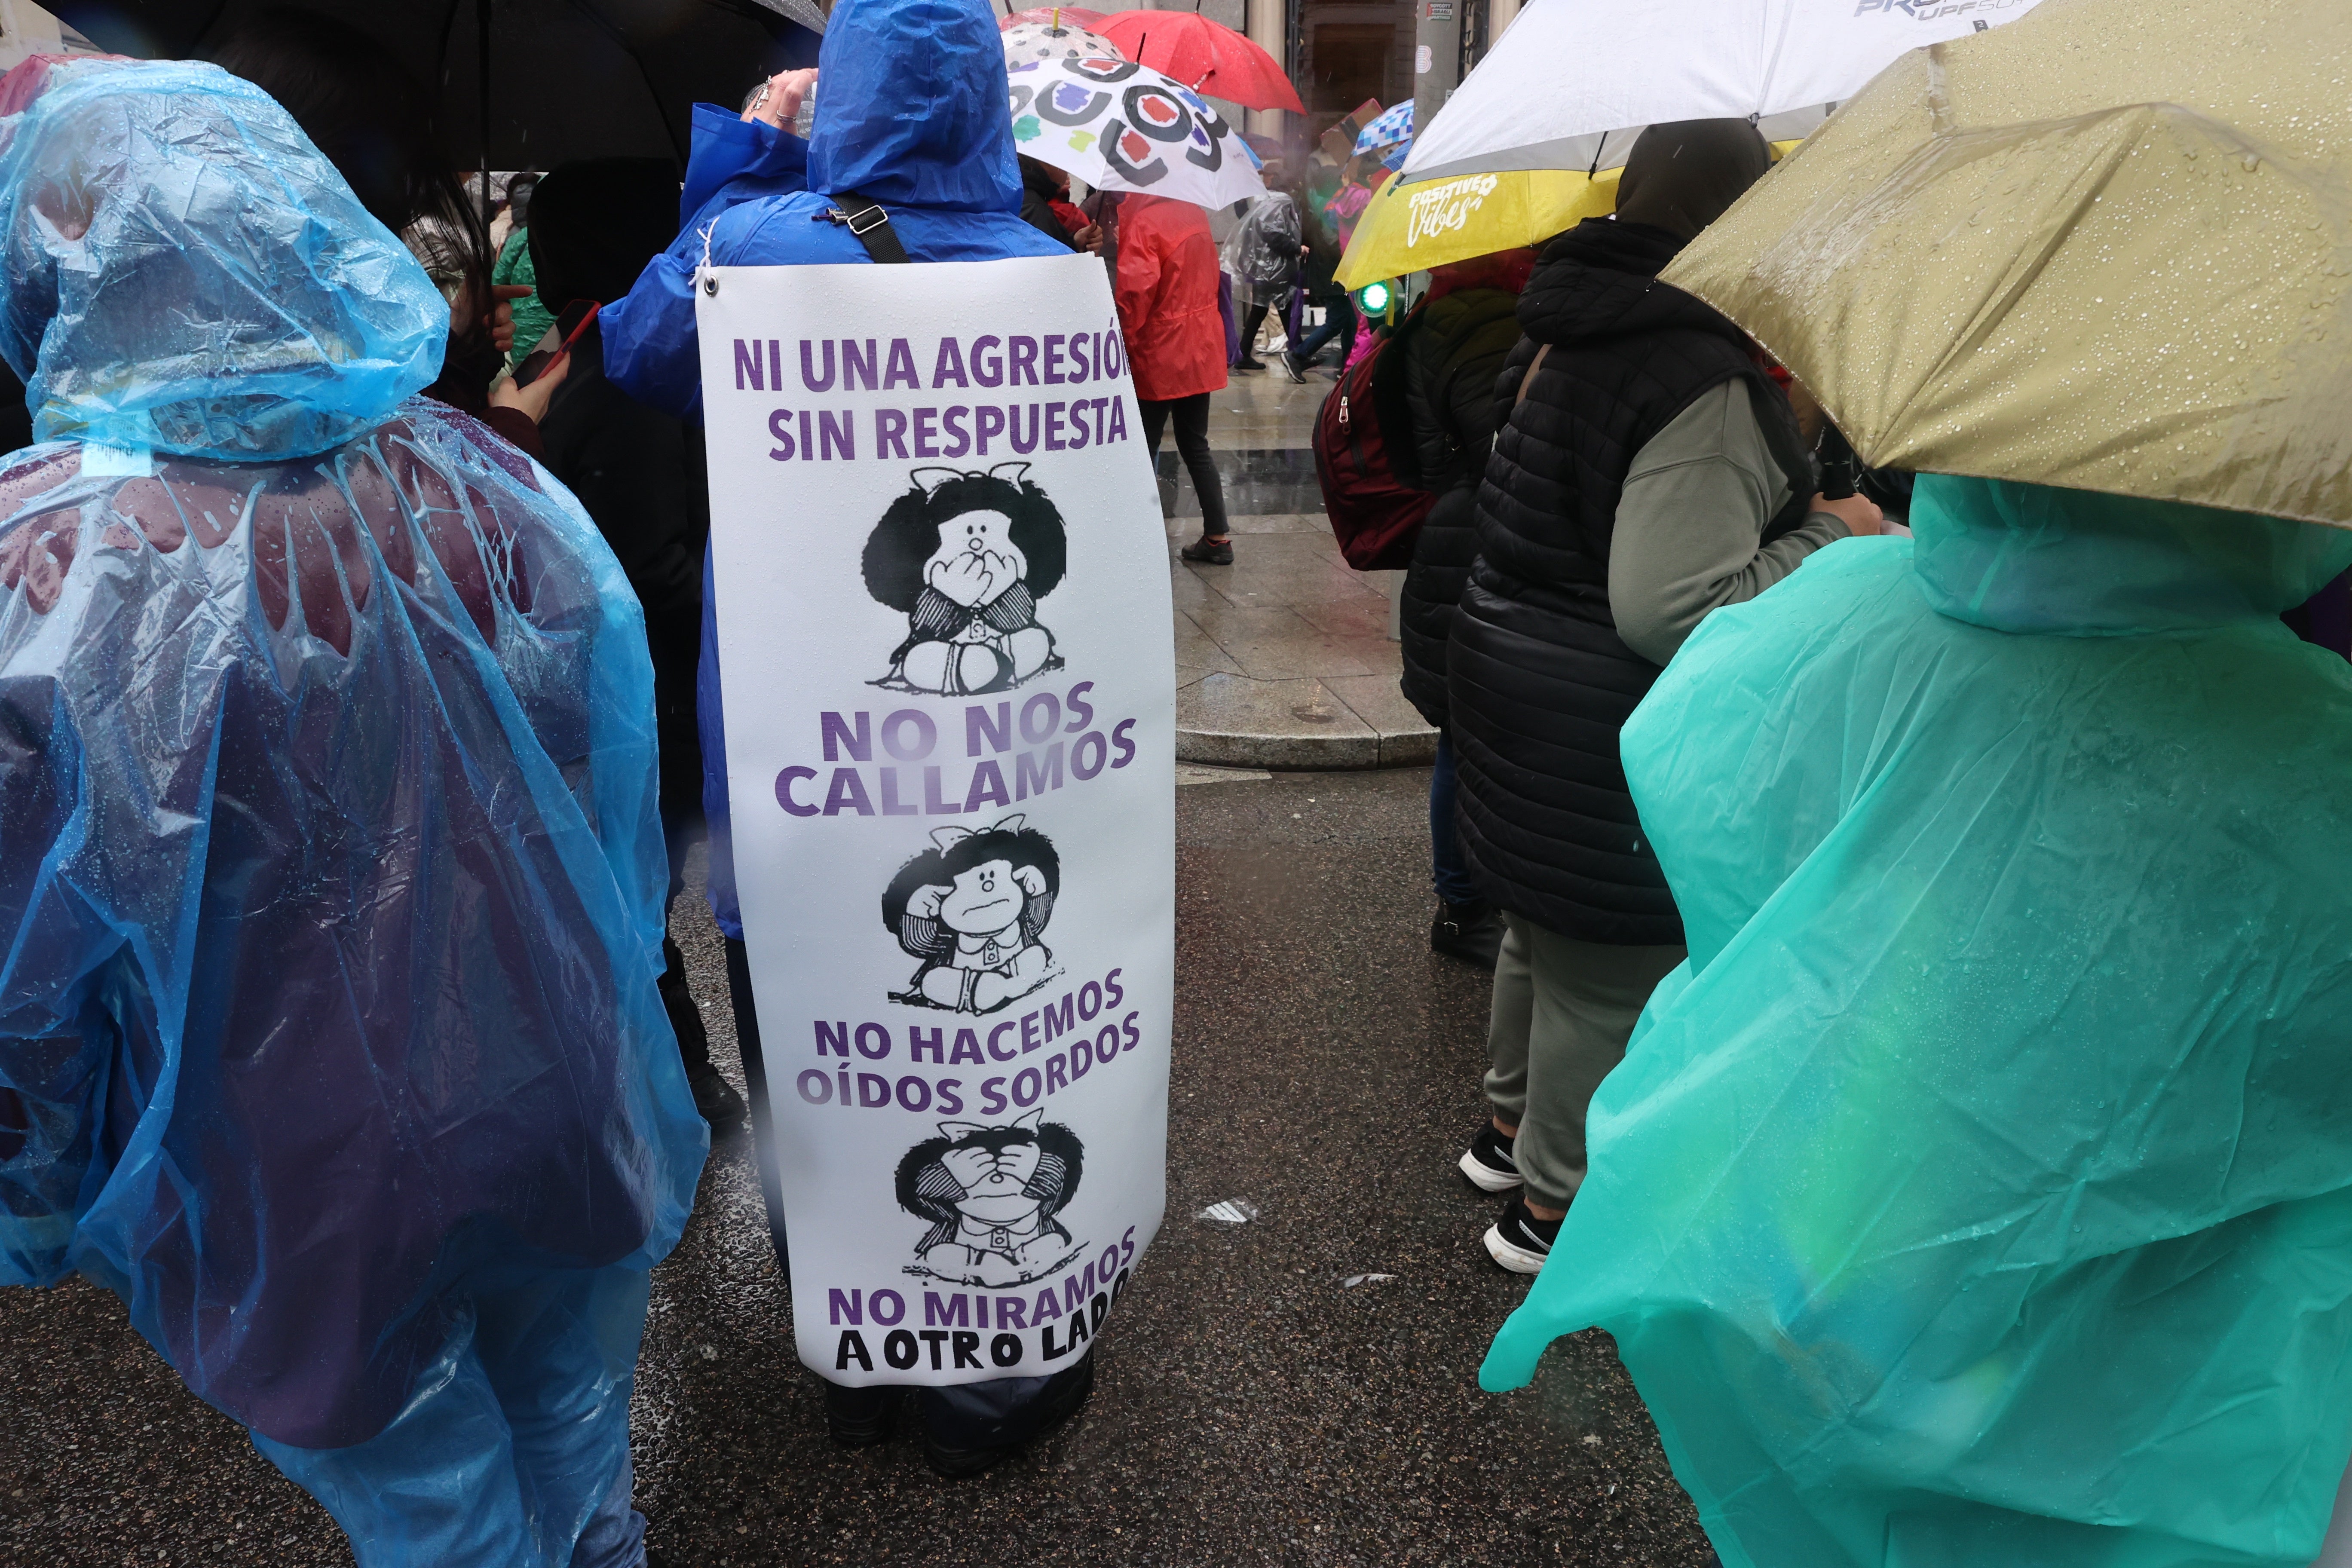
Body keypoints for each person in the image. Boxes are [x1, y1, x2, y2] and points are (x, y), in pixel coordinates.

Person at [0, 55, 704, 1568]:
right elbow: (613, 817)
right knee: (575, 1441)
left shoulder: (44, 572)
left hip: (288, 1167)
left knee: (437, 1504)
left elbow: (31, 965)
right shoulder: (499, 488)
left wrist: (43, 1191)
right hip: (557, 1081)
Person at [1482, 475, 2352, 1567]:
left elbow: (1702, 805)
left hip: (1829, 1274)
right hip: (2151, 1389)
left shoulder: (1823, 618)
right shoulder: (2310, 744)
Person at [601, 0, 1096, 1476]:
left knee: (830, 1054)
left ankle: (864, 1356)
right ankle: (1002, 1371)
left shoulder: (755, 246)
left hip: (802, 756)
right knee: (1008, 1058)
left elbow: (637, 356)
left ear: (860, 91)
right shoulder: (1055, 271)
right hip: (1009, 761)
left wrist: (761, 153)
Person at [1444, 120, 1882, 1272]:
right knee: (1603, 974)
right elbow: (1672, 604)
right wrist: (1828, 533)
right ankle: (1554, 1212)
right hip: (1603, 721)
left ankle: (1503, 1132)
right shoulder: (1694, 370)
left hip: (1515, 684)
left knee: (1541, 939)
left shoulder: (1566, 321)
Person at [526, 158, 748, 1134]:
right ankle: (681, 1094)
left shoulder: (623, 374)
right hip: (622, 705)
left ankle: (688, 1100)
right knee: (628, 911)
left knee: (635, 911)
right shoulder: (586, 350)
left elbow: (655, 566)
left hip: (640, 710)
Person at [208, 9, 537, 443]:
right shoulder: (330, 370)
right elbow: (430, 493)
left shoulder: (184, 322)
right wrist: (514, 424)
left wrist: (458, 340)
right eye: (400, 182)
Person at [1390, 249, 1534, 971]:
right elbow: (1502, 449)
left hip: (1445, 529)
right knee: (1465, 733)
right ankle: (1461, 906)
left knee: (1462, 730)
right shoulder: (1488, 327)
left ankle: (1466, 897)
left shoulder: (1430, 318)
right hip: (1477, 542)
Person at [1113, 192, 1233, 565]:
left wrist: (1123, 345)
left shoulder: (1144, 224)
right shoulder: (1196, 216)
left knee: (1141, 446)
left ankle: (1132, 533)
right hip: (1200, 348)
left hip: (1160, 353)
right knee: (1195, 444)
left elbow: (1134, 297)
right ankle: (1218, 537)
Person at [1222, 159, 1299, 371]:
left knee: (1265, 310)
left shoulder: (1261, 200)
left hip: (1261, 267)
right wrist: (1296, 248)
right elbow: (1275, 235)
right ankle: (1299, 353)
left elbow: (1244, 217)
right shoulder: (1281, 202)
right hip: (1276, 268)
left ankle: (1247, 353)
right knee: (1282, 309)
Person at [492, 169, 557, 372]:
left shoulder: (521, 239)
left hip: (517, 336)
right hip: (562, 334)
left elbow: (497, 283)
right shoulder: (581, 244)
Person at [1016, 153, 1078, 249]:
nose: (1067, 173)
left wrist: (1075, 243)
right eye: (1065, 166)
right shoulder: (1036, 210)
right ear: (1049, 164)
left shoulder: (1019, 187)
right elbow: (1049, 259)